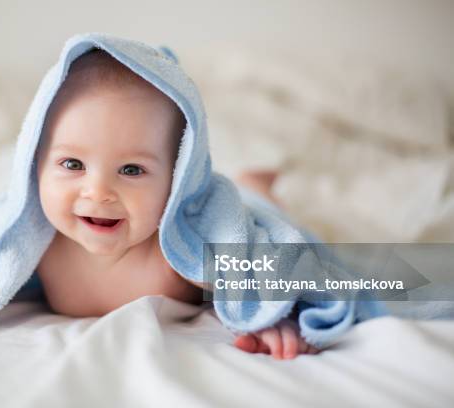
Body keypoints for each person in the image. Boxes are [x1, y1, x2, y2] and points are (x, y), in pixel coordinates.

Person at [35, 50, 318, 360]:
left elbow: (259, 274)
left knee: (257, 203)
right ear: (36, 164)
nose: (98, 192)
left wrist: (272, 317)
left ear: (177, 180)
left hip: (246, 206)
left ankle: (254, 184)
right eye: (73, 163)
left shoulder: (182, 253)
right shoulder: (38, 244)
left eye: (131, 169)